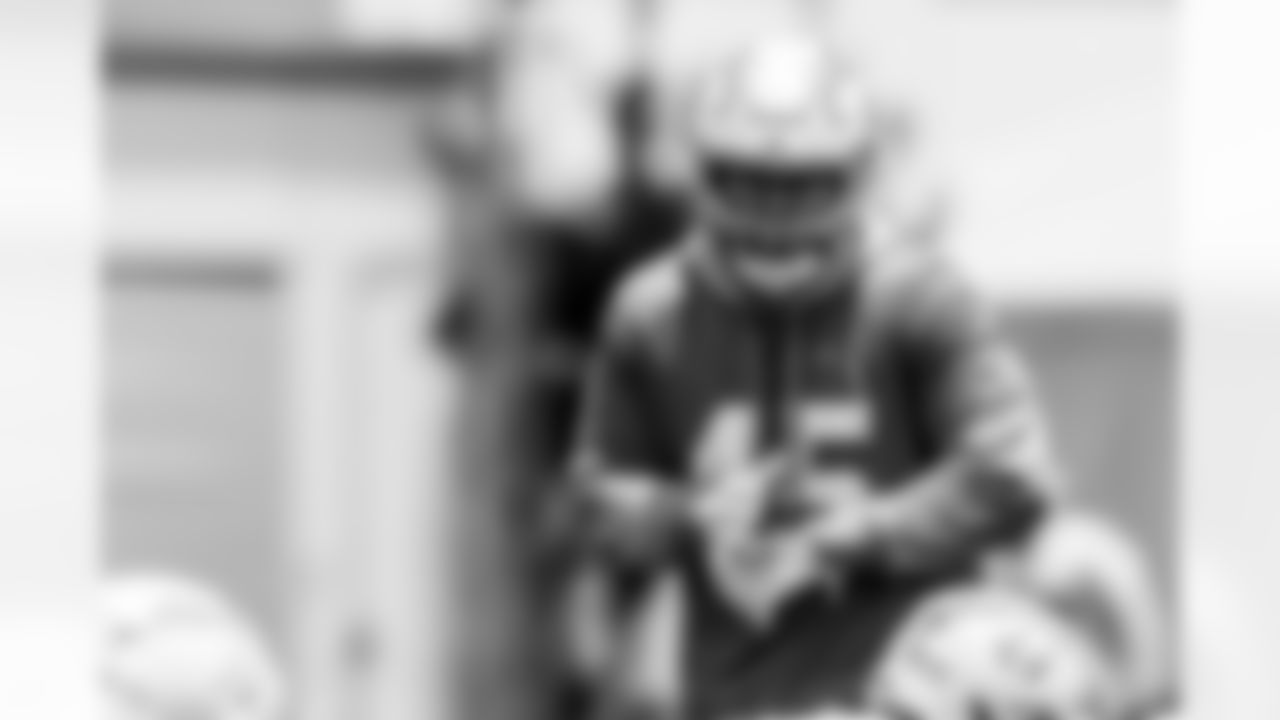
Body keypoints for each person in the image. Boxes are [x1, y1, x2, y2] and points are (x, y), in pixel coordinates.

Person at [565, 31, 1064, 720]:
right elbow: (595, 500)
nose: (776, 215)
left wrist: (869, 534)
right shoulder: (650, 312)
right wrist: (689, 518)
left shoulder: (923, 297)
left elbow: (1016, 474)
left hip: (902, 695)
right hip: (736, 701)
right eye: (751, 181)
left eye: (804, 185)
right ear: (708, 174)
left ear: (853, 175)